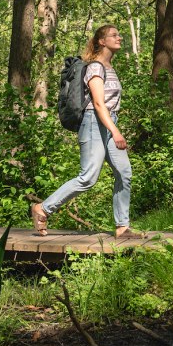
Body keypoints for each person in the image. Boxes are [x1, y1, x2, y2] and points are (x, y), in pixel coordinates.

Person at [31, 25, 137, 238]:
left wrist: (113, 127)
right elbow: (98, 104)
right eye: (114, 35)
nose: (119, 37)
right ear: (101, 41)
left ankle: (122, 227)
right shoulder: (96, 67)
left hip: (107, 122)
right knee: (88, 177)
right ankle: (42, 208)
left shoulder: (109, 67)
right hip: (94, 123)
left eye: (119, 33)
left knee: (124, 172)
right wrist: (116, 132)